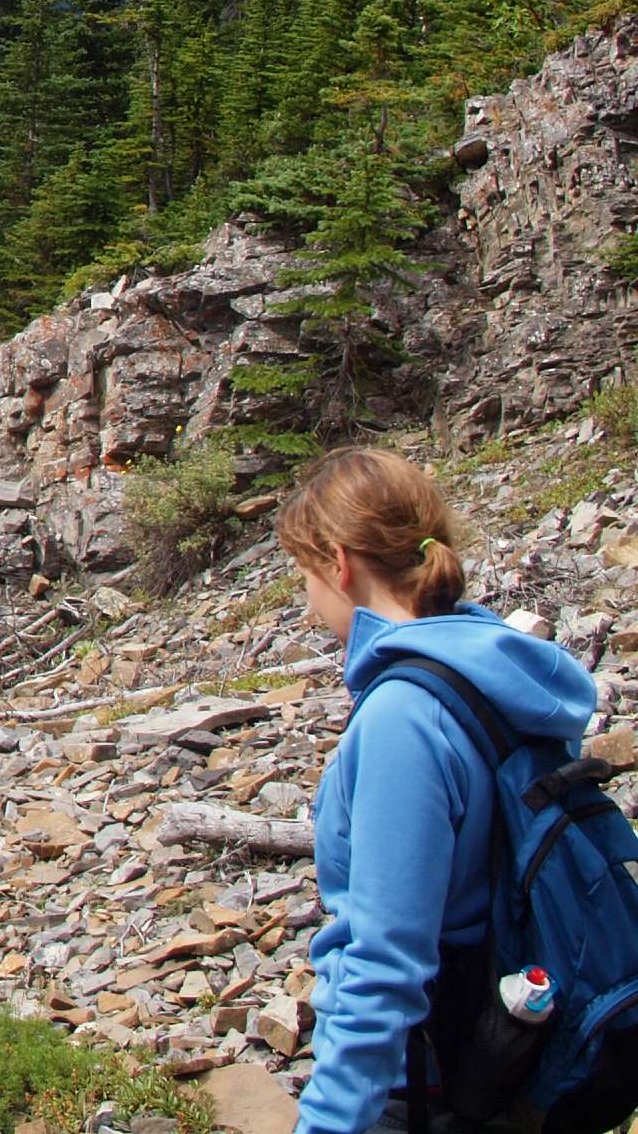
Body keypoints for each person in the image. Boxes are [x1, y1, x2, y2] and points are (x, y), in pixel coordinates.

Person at [279, 447, 598, 1134]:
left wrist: (330, 1123)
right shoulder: (498, 672)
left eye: (305, 576)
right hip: (513, 1053)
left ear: (341, 563)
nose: (308, 608)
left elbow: (386, 961)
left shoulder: (405, 715)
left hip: (430, 1084)